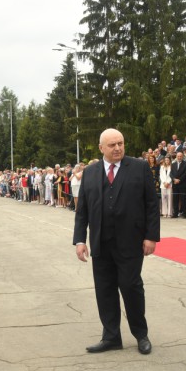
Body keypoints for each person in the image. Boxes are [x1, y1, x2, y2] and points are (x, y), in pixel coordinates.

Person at [73, 128, 160, 355]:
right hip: (101, 243)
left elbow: (151, 204)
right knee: (105, 289)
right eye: (112, 145)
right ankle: (111, 336)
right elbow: (82, 210)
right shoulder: (90, 173)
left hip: (130, 242)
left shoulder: (139, 168)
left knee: (131, 288)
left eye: (120, 143)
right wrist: (79, 240)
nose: (118, 148)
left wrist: (151, 236)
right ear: (101, 148)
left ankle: (141, 334)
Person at [170, 151, 186, 218]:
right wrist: (174, 179)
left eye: (180, 156)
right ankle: (175, 213)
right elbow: (170, 173)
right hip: (175, 184)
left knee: (183, 199)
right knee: (175, 199)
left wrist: (179, 180)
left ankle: (184, 213)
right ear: (176, 157)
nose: (179, 157)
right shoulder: (173, 164)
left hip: (182, 184)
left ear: (182, 156)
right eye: (178, 156)